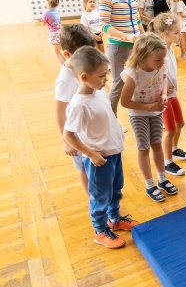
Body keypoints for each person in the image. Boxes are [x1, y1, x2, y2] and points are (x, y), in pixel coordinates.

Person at [63, 46, 139, 249]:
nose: (106, 80)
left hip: (113, 152)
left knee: (115, 190)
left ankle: (114, 219)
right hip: (99, 159)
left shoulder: (98, 90)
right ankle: (100, 231)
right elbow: (68, 134)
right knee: (99, 196)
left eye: (106, 74)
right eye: (102, 76)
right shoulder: (79, 104)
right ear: (85, 77)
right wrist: (90, 154)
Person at [120, 33, 178, 202]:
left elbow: (164, 78)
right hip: (139, 114)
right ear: (143, 57)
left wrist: (164, 94)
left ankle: (162, 179)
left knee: (157, 145)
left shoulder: (161, 64)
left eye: (163, 59)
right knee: (144, 148)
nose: (161, 64)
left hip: (156, 111)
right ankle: (149, 184)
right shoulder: (133, 74)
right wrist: (148, 107)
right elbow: (125, 102)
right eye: (157, 60)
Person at [55, 24, 97, 196]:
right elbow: (59, 112)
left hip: (90, 128)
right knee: (84, 168)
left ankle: (101, 192)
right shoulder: (65, 79)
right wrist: (67, 141)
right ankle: (93, 199)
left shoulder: (83, 66)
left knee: (95, 163)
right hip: (76, 133)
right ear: (67, 54)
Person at [99, 0, 144, 116]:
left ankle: (140, 114)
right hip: (119, 47)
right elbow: (104, 26)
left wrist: (143, 37)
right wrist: (127, 37)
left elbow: (136, 18)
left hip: (136, 45)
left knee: (138, 79)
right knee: (119, 84)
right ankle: (112, 118)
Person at [148, 14, 186, 176]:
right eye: (176, 33)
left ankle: (173, 149)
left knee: (180, 124)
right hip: (163, 98)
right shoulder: (158, 54)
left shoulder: (171, 49)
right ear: (164, 35)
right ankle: (167, 162)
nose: (180, 35)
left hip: (173, 94)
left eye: (179, 32)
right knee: (170, 129)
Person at [41, 0, 63, 64]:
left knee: (57, 53)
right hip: (60, 32)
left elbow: (43, 23)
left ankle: (65, 68)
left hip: (54, 34)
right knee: (59, 52)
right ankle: (66, 66)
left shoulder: (46, 13)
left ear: (48, 3)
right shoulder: (56, 11)